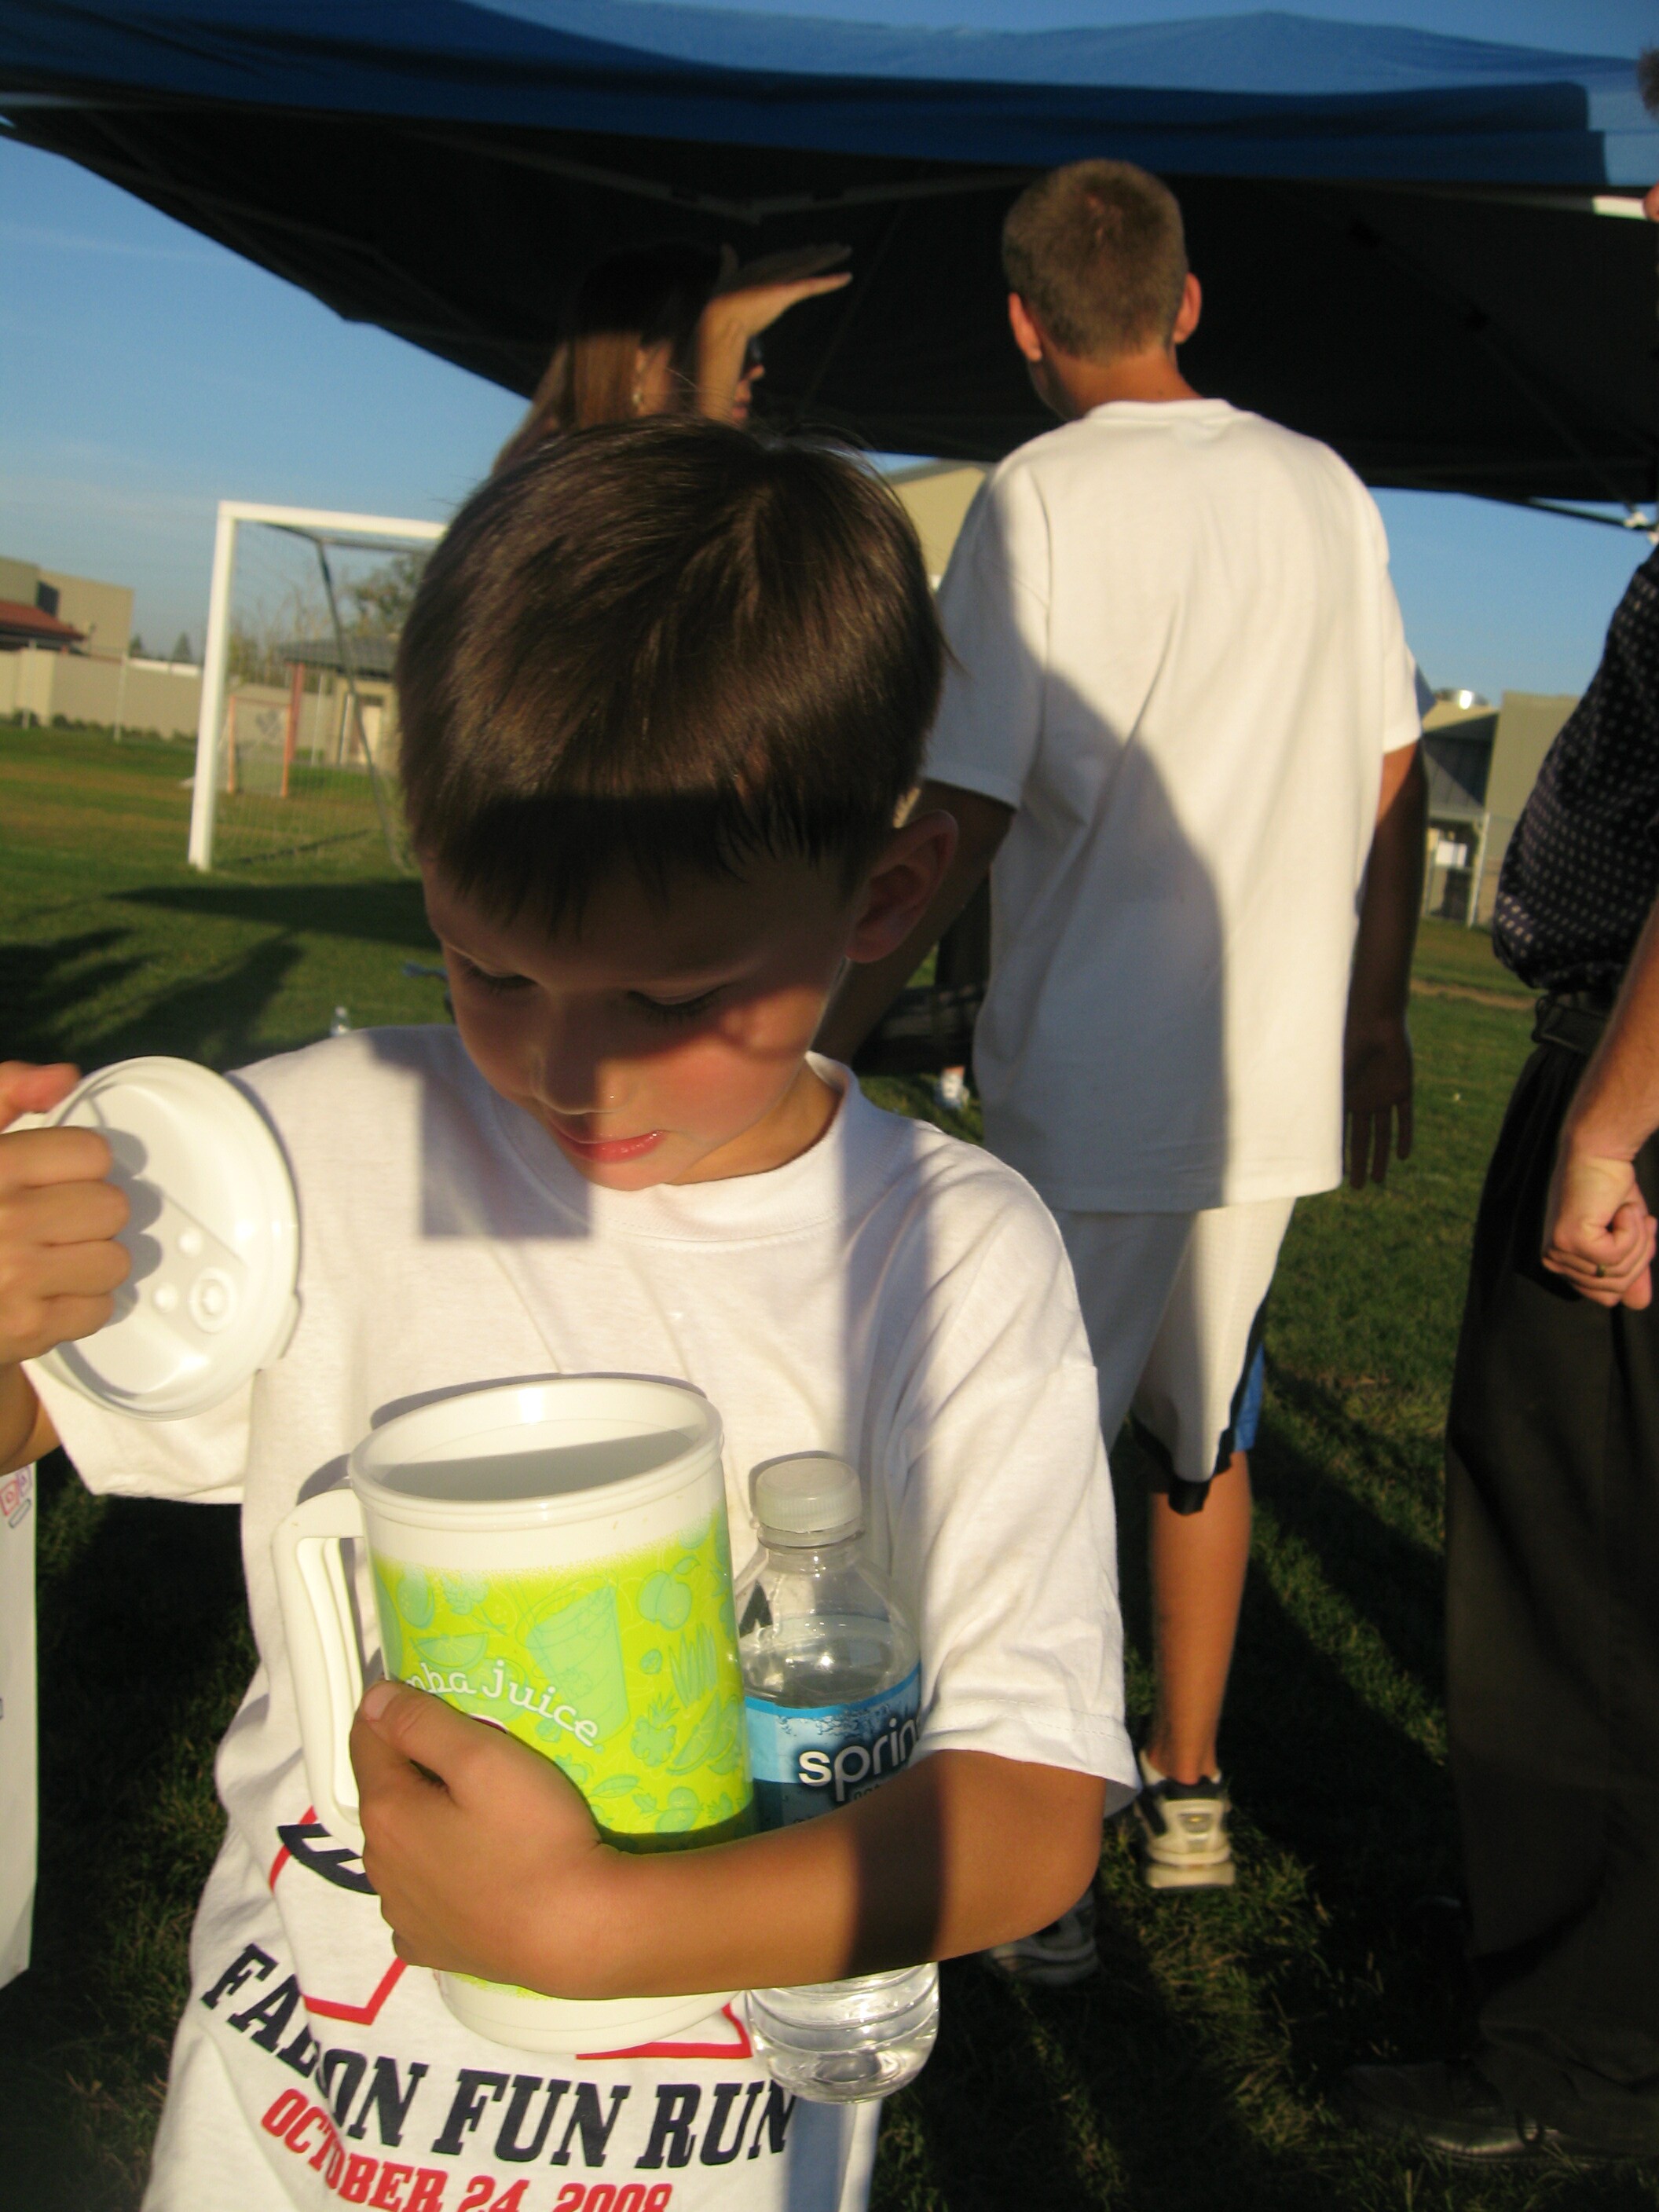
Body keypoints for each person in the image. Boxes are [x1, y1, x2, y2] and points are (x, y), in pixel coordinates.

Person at [0, 419, 1136, 2209]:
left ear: (885, 893)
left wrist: (600, 1927)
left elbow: (1024, 1812)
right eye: (490, 967)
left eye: (672, 996)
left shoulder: (944, 1258)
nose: (568, 1068)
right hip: (278, 2152)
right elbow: (44, 1420)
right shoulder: (321, 1144)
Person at [818, 158, 1425, 1974]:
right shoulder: (1319, 486)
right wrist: (1374, 1013)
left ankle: (1044, 1866)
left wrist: (819, 1026)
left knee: (1036, 1471)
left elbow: (965, 802)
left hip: (1092, 1079)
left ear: (1022, 324)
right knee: (1203, 1424)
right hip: (1266, 1085)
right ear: (1186, 300)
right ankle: (1186, 1789)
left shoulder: (1039, 495)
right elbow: (1394, 770)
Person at [1342, 531, 1659, 2162]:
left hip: (1636, 1085)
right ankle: (1566, 1938)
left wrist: (1606, 1124)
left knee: (1575, 1587)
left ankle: (1577, 2052)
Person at [493, 239, 851, 471]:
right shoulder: (556, 475)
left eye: (750, 343)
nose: (754, 368)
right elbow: (704, 547)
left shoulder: (588, 467)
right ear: (636, 364)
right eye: (711, 344)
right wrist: (724, 330)